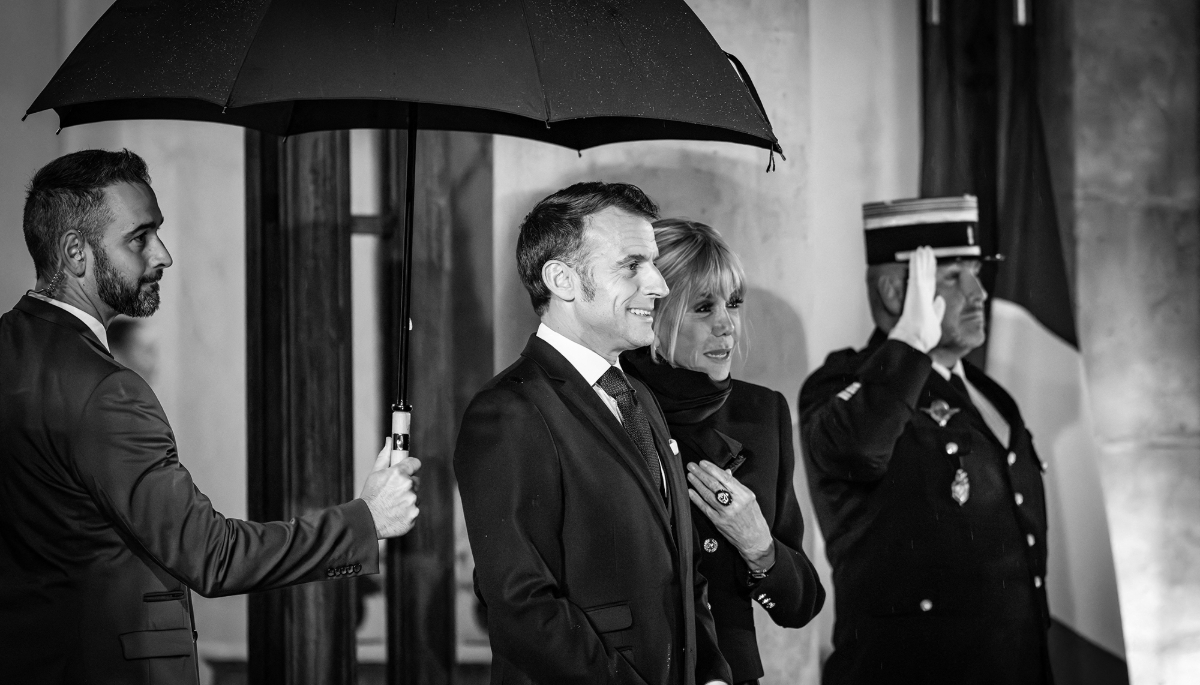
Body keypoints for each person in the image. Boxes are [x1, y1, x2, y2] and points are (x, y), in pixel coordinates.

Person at [0, 149, 421, 685]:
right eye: (140, 237)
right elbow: (213, 557)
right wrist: (367, 519)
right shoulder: (108, 392)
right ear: (75, 253)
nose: (164, 255)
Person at [454, 182, 732, 685]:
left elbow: (680, 567)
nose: (660, 285)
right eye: (632, 265)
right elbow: (522, 605)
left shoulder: (639, 397)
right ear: (562, 279)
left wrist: (711, 673)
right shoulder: (508, 412)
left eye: (652, 262)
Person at [799, 196, 1051, 684]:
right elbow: (855, 448)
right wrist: (909, 342)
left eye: (976, 272)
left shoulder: (987, 392)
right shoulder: (844, 384)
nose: (979, 292)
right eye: (954, 277)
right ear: (896, 293)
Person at [620, 219, 825, 685]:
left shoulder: (761, 412)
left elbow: (802, 604)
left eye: (733, 304)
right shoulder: (609, 406)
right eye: (703, 307)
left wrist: (759, 547)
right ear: (657, 311)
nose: (726, 325)